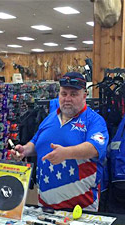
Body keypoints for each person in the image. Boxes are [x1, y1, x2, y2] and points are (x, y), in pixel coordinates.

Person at [12, 72, 109, 211]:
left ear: (84, 95)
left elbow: (94, 148)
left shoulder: (94, 120)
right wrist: (24, 150)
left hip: (81, 208)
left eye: (73, 94)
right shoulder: (50, 118)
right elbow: (36, 142)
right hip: (45, 205)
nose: (67, 99)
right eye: (64, 94)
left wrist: (66, 153)